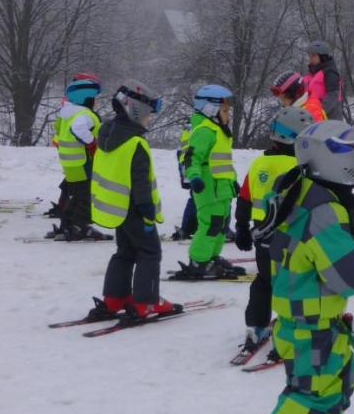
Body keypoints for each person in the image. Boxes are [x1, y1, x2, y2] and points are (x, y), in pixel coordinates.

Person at [243, 120, 354, 414]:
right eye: (347, 150)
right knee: (310, 395)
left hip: (318, 319)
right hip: (309, 323)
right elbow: (348, 276)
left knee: (336, 390)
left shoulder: (308, 189)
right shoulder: (322, 210)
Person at [231, 105, 316, 365]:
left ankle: (255, 326)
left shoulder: (259, 163)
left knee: (264, 282)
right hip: (292, 243)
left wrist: (242, 229)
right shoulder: (301, 167)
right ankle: (289, 336)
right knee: (291, 286)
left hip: (262, 239)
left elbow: (244, 199)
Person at [86, 81, 177, 321]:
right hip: (135, 209)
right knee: (150, 252)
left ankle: (115, 298)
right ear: (135, 111)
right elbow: (140, 181)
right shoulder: (135, 142)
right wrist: (147, 209)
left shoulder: (107, 135)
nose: (149, 120)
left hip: (116, 209)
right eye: (148, 115)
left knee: (125, 252)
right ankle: (145, 302)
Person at [174, 85, 240, 279]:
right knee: (210, 224)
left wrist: (233, 181)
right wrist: (194, 177)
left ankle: (212, 257)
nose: (229, 115)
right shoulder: (205, 131)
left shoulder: (219, 130)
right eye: (225, 111)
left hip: (222, 189)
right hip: (208, 188)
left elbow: (223, 161)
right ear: (210, 109)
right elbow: (192, 158)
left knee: (221, 224)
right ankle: (198, 261)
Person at [49, 74, 107, 241]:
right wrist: (92, 143)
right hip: (83, 161)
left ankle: (66, 225)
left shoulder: (67, 113)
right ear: (86, 98)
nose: (96, 101)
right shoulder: (84, 114)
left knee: (75, 195)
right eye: (94, 98)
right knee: (86, 195)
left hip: (70, 162)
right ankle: (79, 226)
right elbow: (79, 129)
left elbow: (61, 131)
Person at [171, 122, 198, 241]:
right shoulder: (199, 126)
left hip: (187, 165)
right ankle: (187, 229)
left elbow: (180, 150)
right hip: (194, 166)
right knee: (198, 196)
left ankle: (187, 228)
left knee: (196, 196)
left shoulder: (189, 126)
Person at [304, 40, 343, 120]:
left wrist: (318, 112)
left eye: (314, 56)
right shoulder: (312, 73)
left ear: (323, 57)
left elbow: (332, 96)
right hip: (312, 116)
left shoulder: (330, 73)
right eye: (310, 56)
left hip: (328, 119)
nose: (310, 59)